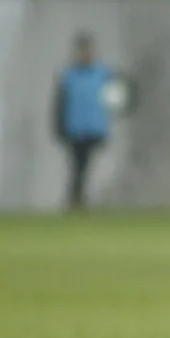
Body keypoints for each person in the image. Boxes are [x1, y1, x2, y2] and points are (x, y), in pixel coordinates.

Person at [53, 33, 111, 211]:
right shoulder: (68, 76)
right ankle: (76, 198)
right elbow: (60, 104)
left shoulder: (103, 74)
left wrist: (105, 128)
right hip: (75, 129)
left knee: (83, 166)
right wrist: (59, 127)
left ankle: (77, 198)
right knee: (77, 165)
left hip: (93, 128)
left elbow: (111, 102)